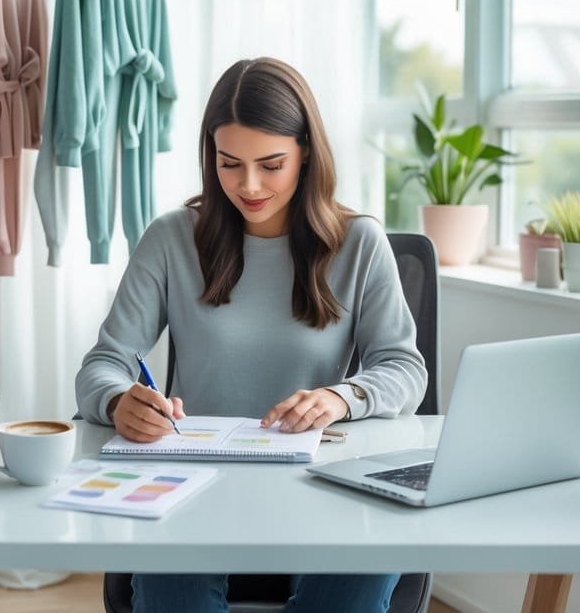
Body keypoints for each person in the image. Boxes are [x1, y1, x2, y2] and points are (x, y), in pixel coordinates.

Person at [75, 57, 428, 613]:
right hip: (191, 486)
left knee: (362, 570)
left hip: (324, 482)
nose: (249, 185)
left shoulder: (359, 242)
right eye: (229, 163)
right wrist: (119, 400)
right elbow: (102, 364)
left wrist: (342, 397)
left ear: (306, 153)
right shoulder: (172, 239)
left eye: (271, 164)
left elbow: (404, 370)